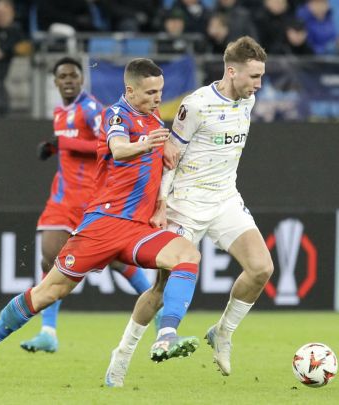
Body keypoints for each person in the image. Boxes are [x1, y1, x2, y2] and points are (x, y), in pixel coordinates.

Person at [0, 58, 202, 388]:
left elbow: (157, 170)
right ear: (130, 90)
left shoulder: (154, 120)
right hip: (103, 225)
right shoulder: (116, 114)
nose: (158, 98)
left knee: (187, 255)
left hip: (137, 229)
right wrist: (145, 145)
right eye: (150, 92)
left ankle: (167, 334)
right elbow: (118, 149)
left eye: (160, 91)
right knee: (48, 292)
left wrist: (160, 203)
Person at [105, 36, 274, 387]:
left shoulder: (248, 100)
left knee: (261, 268)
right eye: (254, 76)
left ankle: (222, 332)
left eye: (261, 76)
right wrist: (161, 204)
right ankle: (121, 356)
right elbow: (170, 156)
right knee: (160, 290)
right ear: (232, 72)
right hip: (184, 205)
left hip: (225, 200)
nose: (259, 84)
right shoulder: (196, 105)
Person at [18, 56, 154, 354]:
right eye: (63, 76)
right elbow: (70, 145)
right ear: (55, 82)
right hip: (63, 199)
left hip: (92, 198)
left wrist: (63, 144)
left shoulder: (92, 109)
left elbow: (106, 144)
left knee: (117, 261)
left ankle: (159, 310)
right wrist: (53, 147)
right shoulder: (59, 112)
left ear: (81, 80)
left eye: (73, 76)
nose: (68, 80)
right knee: (49, 258)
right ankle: (48, 332)